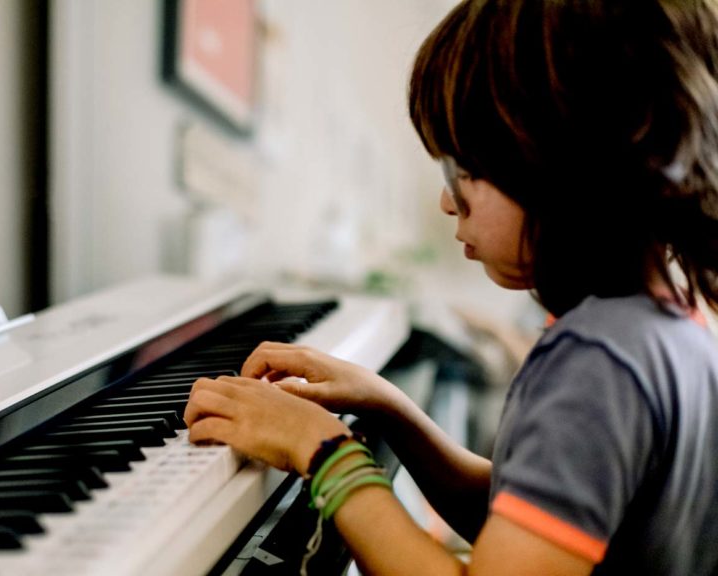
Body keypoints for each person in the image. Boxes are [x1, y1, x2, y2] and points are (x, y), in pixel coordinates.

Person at [183, 0, 718, 574]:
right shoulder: (668, 331)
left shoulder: (598, 362)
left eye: (465, 169)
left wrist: (324, 455)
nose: (446, 199)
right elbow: (520, 517)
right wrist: (389, 407)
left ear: (565, 168)